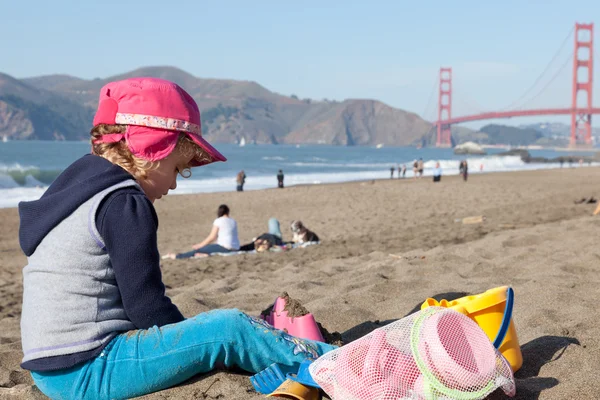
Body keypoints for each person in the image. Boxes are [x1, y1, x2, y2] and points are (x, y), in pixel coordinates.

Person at [17, 77, 334, 400]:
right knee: (229, 328)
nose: (174, 184)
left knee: (211, 333)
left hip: (50, 369)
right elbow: (146, 306)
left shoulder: (77, 192)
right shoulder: (123, 202)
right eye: (177, 168)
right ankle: (334, 361)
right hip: (90, 367)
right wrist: (190, 340)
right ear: (152, 148)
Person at [168, 204, 240, 258]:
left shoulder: (218, 221)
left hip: (225, 248)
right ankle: (204, 254)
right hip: (236, 247)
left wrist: (200, 245)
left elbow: (212, 237)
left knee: (199, 250)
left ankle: (178, 256)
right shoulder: (233, 221)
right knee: (209, 248)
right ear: (228, 212)